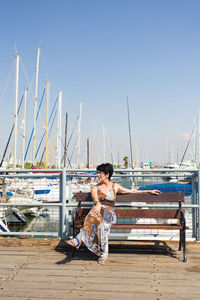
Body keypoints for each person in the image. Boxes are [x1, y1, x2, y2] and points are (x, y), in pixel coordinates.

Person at [66, 163, 160, 264]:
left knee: (95, 214)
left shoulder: (115, 186)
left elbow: (131, 191)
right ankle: (102, 253)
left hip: (109, 214)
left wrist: (148, 191)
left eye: (100, 173)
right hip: (97, 213)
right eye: (97, 173)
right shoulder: (94, 188)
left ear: (107, 175)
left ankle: (79, 238)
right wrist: (98, 204)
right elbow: (95, 199)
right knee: (98, 219)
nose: (98, 175)